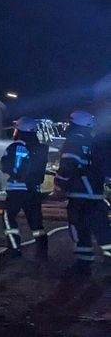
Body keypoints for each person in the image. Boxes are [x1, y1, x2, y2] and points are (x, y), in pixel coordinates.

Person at [54, 110, 111, 275]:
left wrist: (59, 185)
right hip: (96, 195)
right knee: (103, 232)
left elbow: (68, 166)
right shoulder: (92, 141)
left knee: (80, 231)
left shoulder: (73, 141)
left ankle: (83, 265)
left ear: (74, 124)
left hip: (79, 195)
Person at [0, 117, 48, 259]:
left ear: (19, 130)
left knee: (8, 218)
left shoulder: (14, 147)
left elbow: (4, 166)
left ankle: (14, 249)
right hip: (34, 191)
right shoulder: (39, 148)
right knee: (36, 223)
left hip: (16, 191)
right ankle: (42, 251)